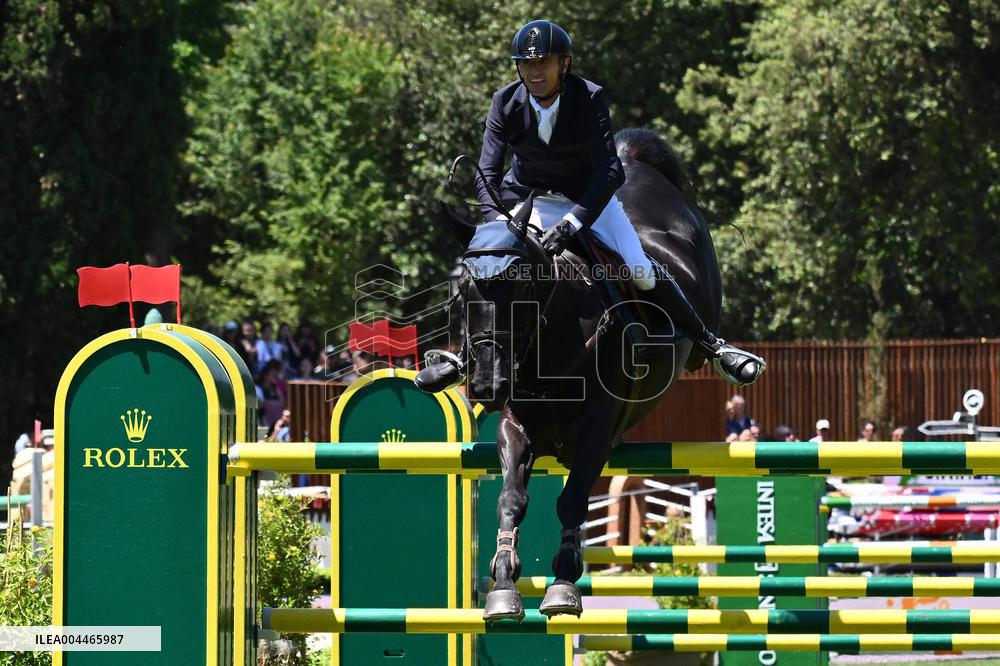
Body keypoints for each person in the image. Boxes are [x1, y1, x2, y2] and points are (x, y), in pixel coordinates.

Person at [416, 19, 764, 394]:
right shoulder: (504, 101)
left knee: (639, 268)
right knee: (490, 266)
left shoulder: (588, 96)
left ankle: (711, 344)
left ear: (563, 64)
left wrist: (570, 224)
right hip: (525, 201)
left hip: (588, 200)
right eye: (526, 64)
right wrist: (498, 223)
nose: (533, 72)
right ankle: (467, 358)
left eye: (543, 63)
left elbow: (609, 171)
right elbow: (486, 174)